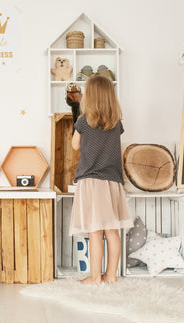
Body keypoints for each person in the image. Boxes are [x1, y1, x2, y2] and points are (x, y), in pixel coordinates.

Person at [69, 75, 133, 284]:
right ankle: (111, 276)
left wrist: (78, 125)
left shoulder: (83, 121)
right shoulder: (116, 124)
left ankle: (95, 277)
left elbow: (75, 146)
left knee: (95, 231)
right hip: (113, 182)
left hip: (91, 182)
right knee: (111, 231)